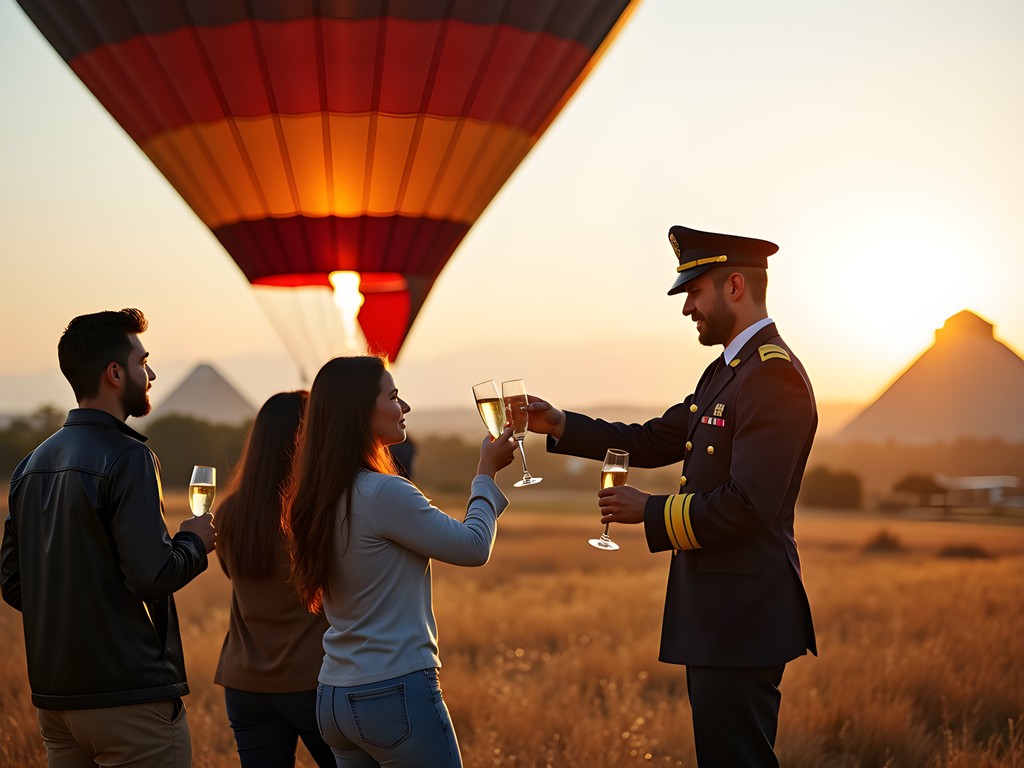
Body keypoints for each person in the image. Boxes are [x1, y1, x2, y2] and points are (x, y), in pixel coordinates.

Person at [527, 225, 818, 767]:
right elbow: (652, 439)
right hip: (719, 615)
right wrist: (561, 423)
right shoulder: (727, 372)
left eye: (695, 291)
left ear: (735, 286)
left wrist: (651, 510)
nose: (687, 308)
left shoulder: (770, 375)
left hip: (743, 618)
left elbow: (749, 504)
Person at [1, 308, 217, 767]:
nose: (151, 374)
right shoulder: (129, 456)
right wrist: (195, 543)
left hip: (56, 705)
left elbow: (14, 584)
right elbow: (151, 575)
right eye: (144, 362)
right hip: (130, 702)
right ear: (115, 373)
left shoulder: (28, 466)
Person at [285, 355, 516, 768]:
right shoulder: (383, 493)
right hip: (393, 691)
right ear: (360, 411)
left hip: (333, 695)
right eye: (393, 397)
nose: (404, 406)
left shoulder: (316, 495)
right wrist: (486, 474)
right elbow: (473, 547)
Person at [212, 391, 335, 768]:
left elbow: (233, 575)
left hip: (245, 683)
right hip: (312, 680)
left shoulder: (229, 513)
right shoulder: (317, 512)